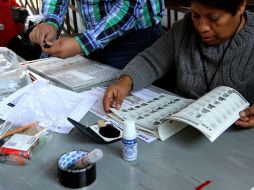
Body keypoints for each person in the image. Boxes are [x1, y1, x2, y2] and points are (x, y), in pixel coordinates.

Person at [103, 0, 254, 128]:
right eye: (196, 15)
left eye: (213, 18)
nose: (202, 27)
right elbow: (151, 60)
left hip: (234, 137)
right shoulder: (184, 29)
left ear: (240, 6)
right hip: (180, 128)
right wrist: (125, 82)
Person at [29, 0, 165, 69]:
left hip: (137, 39)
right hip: (94, 37)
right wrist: (51, 21)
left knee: (130, 104)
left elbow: (130, 6)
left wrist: (81, 43)